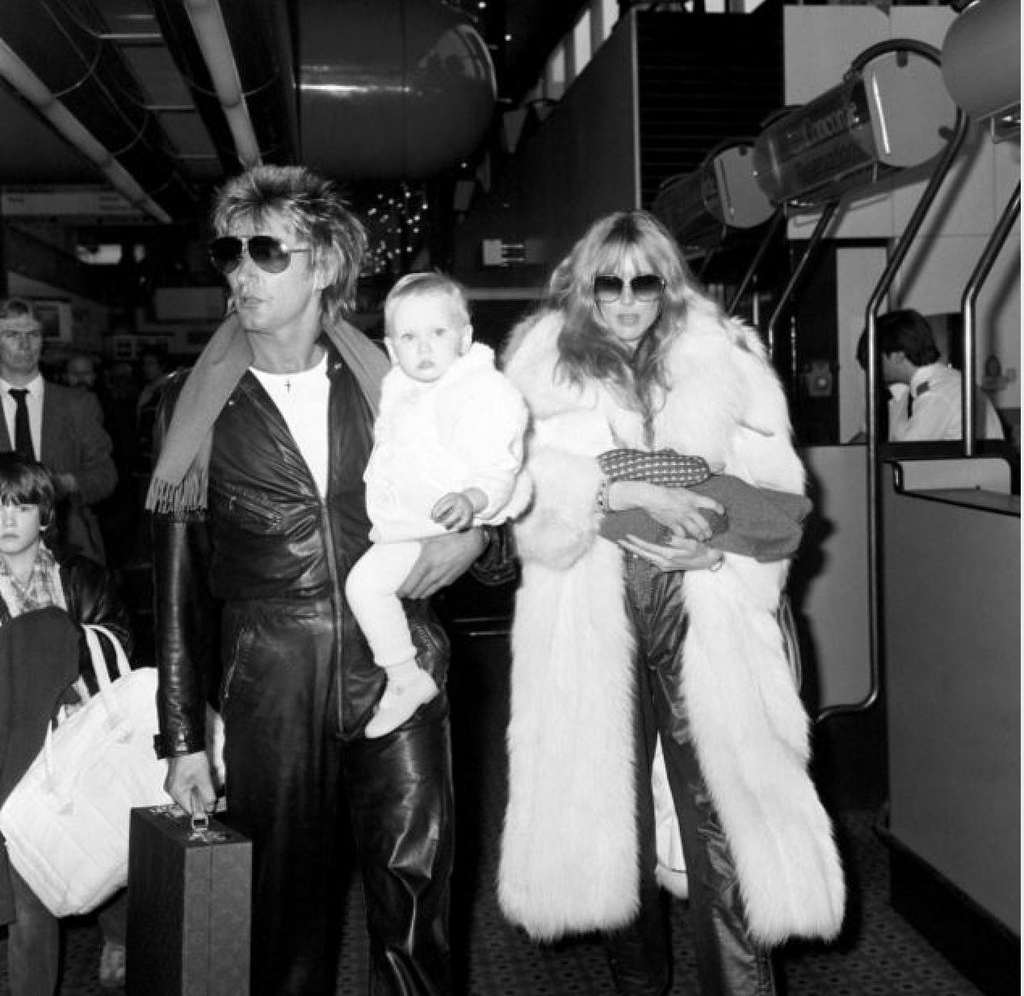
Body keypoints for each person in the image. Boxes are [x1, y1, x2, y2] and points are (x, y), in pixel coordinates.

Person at [146, 165, 487, 996]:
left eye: (267, 250)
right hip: (271, 679)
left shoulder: (399, 387)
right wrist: (183, 735)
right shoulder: (191, 405)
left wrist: (478, 535)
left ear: (325, 265)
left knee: (416, 900)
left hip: (399, 666)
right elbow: (177, 586)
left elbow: (492, 496)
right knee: (282, 918)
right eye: (230, 251)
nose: (243, 271)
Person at [496, 210, 845, 996]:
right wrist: (619, 485)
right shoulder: (540, 365)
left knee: (725, 816)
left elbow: (783, 502)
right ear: (583, 284)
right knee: (611, 817)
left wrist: (713, 545)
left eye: (642, 281)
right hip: (592, 607)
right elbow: (513, 499)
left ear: (667, 282)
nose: (624, 299)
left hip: (706, 606)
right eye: (606, 282)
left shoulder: (727, 357)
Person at [346, 271, 530, 738]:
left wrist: (471, 501)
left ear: (465, 338)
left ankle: (405, 678)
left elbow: (499, 468)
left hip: (433, 528)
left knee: (365, 586)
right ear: (390, 348)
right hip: (403, 527)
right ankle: (404, 677)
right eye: (409, 337)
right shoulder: (405, 391)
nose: (424, 348)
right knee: (366, 588)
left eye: (438, 333)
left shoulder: (481, 393)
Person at [0, 453, 134, 992]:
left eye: (20, 506)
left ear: (46, 515)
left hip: (79, 748)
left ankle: (120, 935)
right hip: (13, 757)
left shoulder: (82, 576)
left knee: (101, 864)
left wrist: (59, 644)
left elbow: (120, 649)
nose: (7, 520)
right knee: (30, 899)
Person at [0, 299, 117, 563]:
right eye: (12, 335)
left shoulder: (79, 404)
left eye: (33, 334)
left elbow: (106, 475)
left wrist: (68, 484)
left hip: (69, 547)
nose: (25, 344)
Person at [856, 309, 1004, 441]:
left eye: (874, 360)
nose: (871, 370)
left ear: (898, 356)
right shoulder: (942, 382)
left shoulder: (936, 395)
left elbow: (905, 457)